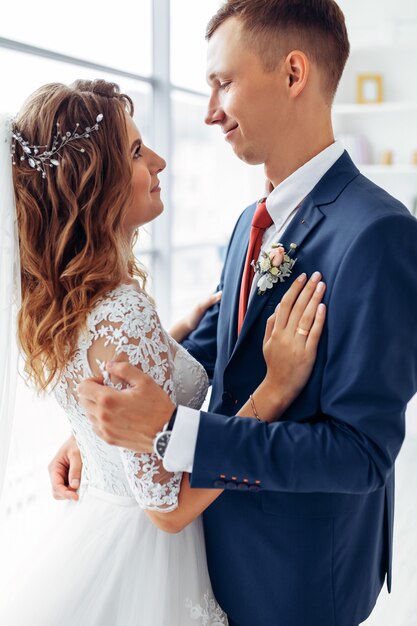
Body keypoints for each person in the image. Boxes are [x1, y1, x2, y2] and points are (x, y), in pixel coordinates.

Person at [72, 2, 417, 626]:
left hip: (298, 578)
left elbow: (361, 454)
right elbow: (219, 348)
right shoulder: (246, 224)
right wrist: (98, 428)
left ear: (292, 74)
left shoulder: (381, 234)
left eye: (223, 83)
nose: (208, 112)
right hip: (214, 558)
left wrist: (179, 434)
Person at [0, 78, 326, 626]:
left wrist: (170, 336)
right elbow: (168, 509)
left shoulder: (66, 298)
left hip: (99, 523)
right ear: (93, 188)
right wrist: (275, 387)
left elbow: (102, 380)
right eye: (134, 151)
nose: (159, 160)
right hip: (148, 562)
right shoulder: (121, 312)